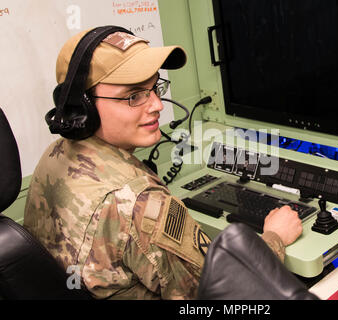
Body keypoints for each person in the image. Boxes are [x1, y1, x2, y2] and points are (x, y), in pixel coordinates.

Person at [23, 27, 303, 300]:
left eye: (154, 87)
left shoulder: (56, 154)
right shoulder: (138, 203)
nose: (157, 104)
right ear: (81, 107)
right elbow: (225, 291)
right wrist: (274, 238)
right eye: (134, 95)